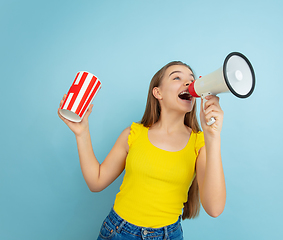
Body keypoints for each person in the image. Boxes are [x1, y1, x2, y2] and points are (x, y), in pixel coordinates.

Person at [58, 61, 226, 240]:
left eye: (191, 80)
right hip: (118, 231)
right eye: (177, 77)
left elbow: (214, 209)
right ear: (157, 92)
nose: (188, 83)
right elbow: (96, 182)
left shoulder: (199, 142)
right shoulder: (133, 133)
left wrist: (213, 137)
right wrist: (82, 132)